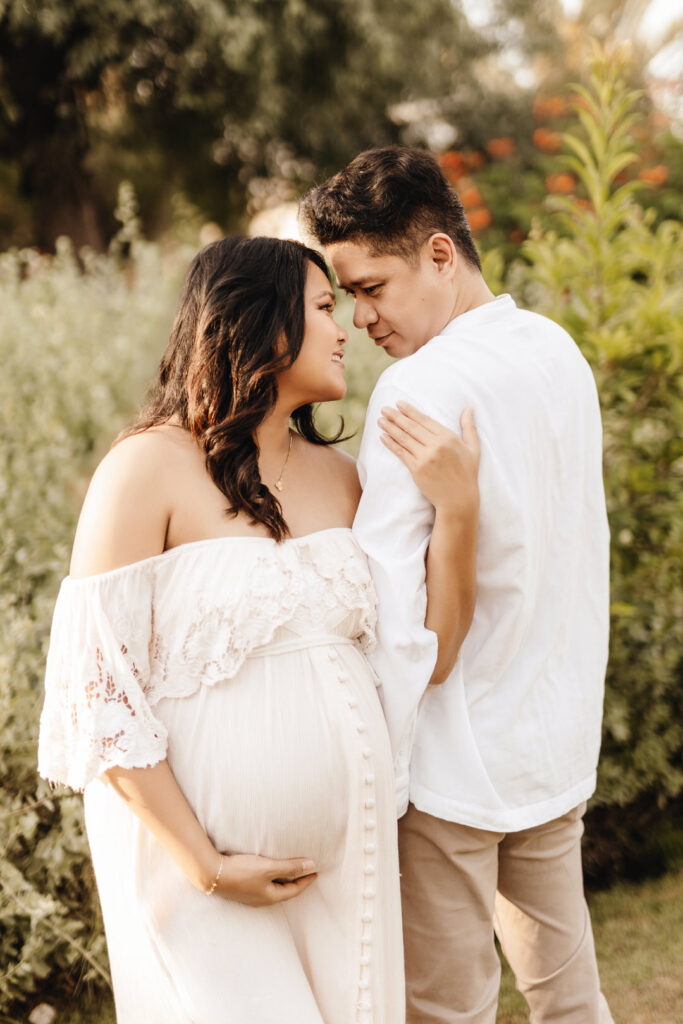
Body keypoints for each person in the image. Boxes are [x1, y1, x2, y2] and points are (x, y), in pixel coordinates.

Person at [38, 235, 480, 1024]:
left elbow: (430, 656)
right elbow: (96, 692)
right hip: (201, 872)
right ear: (262, 325)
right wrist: (204, 865)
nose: (346, 327)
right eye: (321, 308)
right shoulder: (147, 468)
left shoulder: (345, 480)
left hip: (348, 870)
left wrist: (456, 514)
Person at [301, 145, 613, 1024]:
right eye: (347, 294)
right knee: (570, 1003)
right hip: (549, 743)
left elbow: (398, 630)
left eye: (371, 288)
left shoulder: (418, 387)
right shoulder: (557, 352)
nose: (359, 317)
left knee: (447, 1013)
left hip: (447, 764)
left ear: (440, 254)